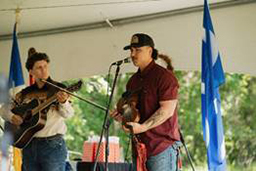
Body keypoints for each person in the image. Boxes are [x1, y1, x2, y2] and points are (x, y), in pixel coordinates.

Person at [110, 33, 181, 171]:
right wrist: (124, 118)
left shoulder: (165, 77)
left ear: (150, 51)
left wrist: (142, 127)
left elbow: (166, 111)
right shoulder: (133, 81)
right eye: (131, 50)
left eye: (138, 50)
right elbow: (136, 113)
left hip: (161, 148)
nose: (133, 54)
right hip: (139, 148)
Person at [0, 50, 74, 171]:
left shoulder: (59, 89)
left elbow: (68, 114)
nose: (43, 70)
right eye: (39, 68)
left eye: (45, 66)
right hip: (28, 145)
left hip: (52, 145)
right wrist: (12, 117)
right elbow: (3, 110)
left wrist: (63, 102)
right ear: (31, 71)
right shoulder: (24, 93)